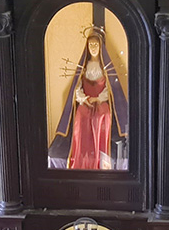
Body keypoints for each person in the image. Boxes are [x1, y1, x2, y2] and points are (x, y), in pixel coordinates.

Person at [51, 30, 130, 171]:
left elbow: (110, 87)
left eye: (96, 45)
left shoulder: (106, 68)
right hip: (86, 102)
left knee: (103, 115)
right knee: (80, 115)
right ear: (87, 47)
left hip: (101, 102)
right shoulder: (84, 67)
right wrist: (84, 98)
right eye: (91, 45)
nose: (93, 48)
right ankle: (82, 156)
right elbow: (77, 87)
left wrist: (98, 98)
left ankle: (101, 156)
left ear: (100, 47)